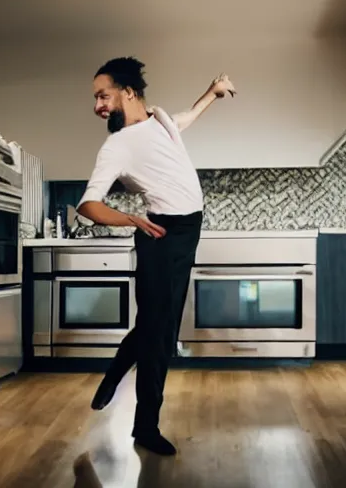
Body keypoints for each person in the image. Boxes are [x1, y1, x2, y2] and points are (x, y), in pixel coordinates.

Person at [76, 57, 236, 456]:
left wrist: (212, 94)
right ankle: (145, 426)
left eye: (103, 95)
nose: (98, 106)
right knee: (159, 337)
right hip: (162, 236)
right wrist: (130, 218)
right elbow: (88, 204)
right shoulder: (117, 145)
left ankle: (113, 376)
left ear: (128, 92)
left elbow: (183, 120)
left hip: (185, 236)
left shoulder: (158, 119)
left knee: (153, 328)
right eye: (96, 98)